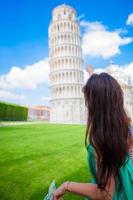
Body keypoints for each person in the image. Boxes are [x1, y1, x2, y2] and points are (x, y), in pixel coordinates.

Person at [52, 66, 133, 200]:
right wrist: (92, 75)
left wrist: (66, 186)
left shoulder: (101, 139)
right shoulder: (126, 127)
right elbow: (105, 97)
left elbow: (105, 193)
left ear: (93, 104)